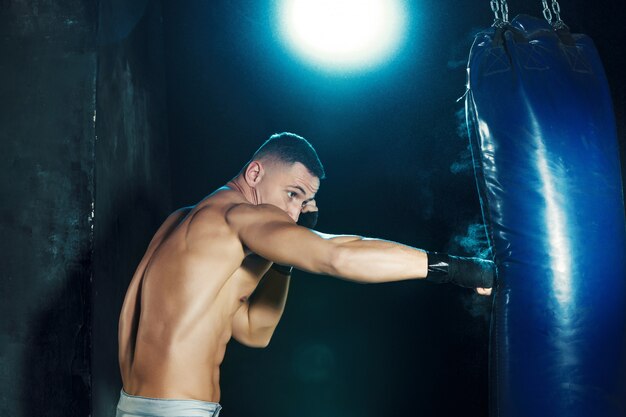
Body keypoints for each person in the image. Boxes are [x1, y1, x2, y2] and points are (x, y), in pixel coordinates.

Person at [115, 132, 494, 417]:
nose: (293, 213)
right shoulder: (239, 215)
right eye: (292, 193)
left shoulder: (182, 221)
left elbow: (254, 331)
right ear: (255, 172)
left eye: (303, 201)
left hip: (135, 407)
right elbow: (338, 255)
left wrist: (284, 259)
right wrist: (460, 269)